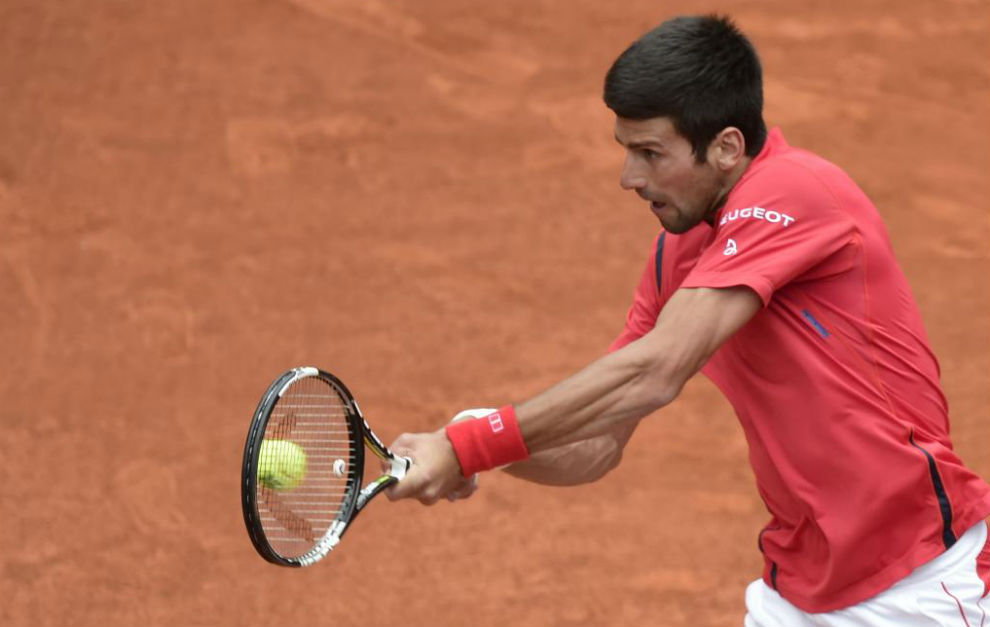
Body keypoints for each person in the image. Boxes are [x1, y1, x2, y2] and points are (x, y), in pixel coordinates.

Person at [385, 14, 990, 626]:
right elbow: (597, 446)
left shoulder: (797, 190)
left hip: (916, 582)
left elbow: (657, 369)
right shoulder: (677, 254)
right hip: (796, 589)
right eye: (626, 151)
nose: (630, 179)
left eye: (651, 153)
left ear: (726, 147)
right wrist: (482, 446)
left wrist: (467, 446)